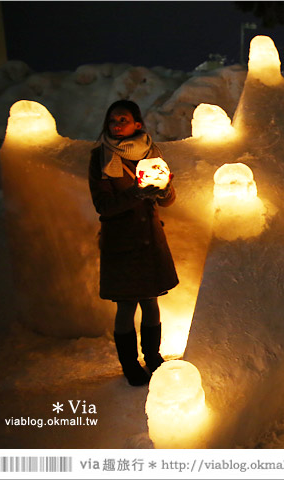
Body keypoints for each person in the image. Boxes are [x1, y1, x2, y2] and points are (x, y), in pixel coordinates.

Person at [88, 100, 178, 386]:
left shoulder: (152, 154)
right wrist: (137, 193)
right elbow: (103, 205)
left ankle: (153, 358)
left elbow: (168, 199)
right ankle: (130, 365)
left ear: (137, 124)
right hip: (122, 242)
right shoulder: (100, 157)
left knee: (151, 303)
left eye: (123, 119)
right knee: (126, 306)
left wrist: (165, 190)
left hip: (150, 239)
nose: (116, 124)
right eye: (112, 120)